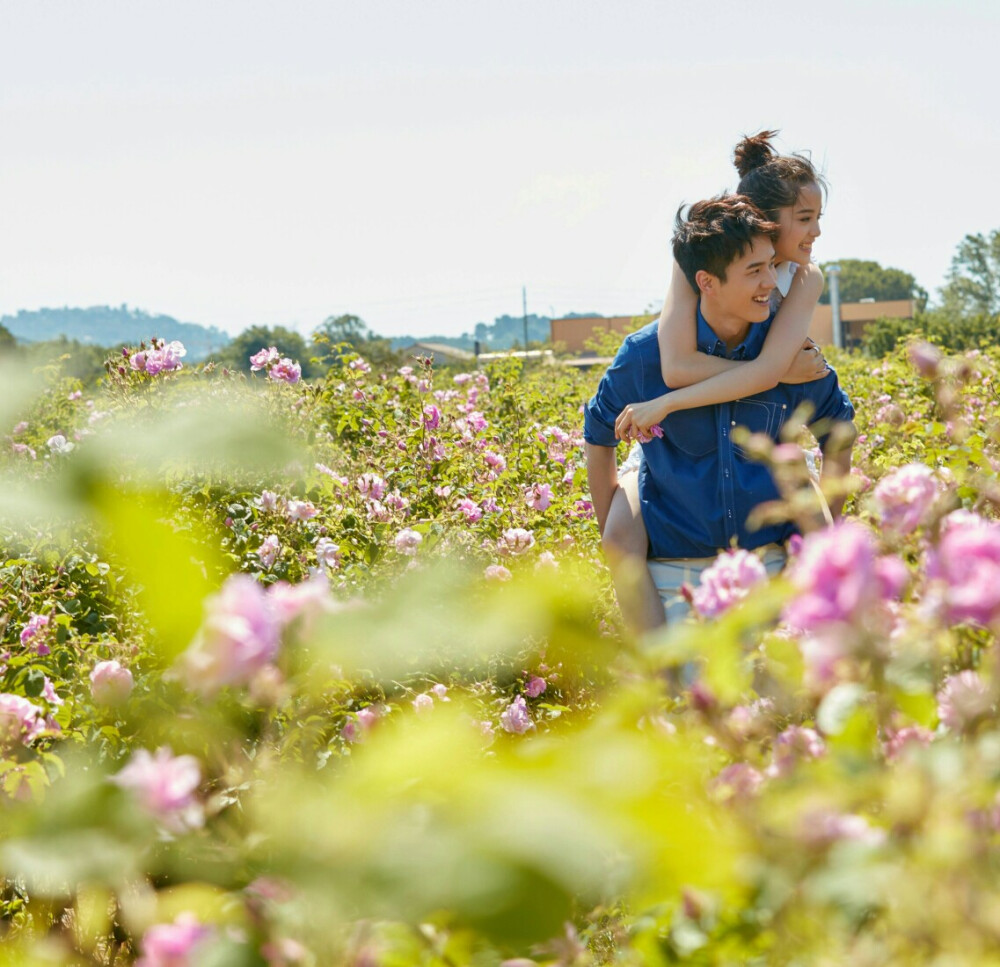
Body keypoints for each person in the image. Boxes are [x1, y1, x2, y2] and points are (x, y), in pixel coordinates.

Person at [583, 194, 855, 629]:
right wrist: (616, 538)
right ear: (706, 282)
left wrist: (822, 533)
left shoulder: (788, 353)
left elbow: (839, 429)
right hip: (671, 580)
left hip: (772, 576)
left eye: (772, 265)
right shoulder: (645, 356)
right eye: (754, 271)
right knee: (671, 695)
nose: (771, 282)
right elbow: (598, 436)